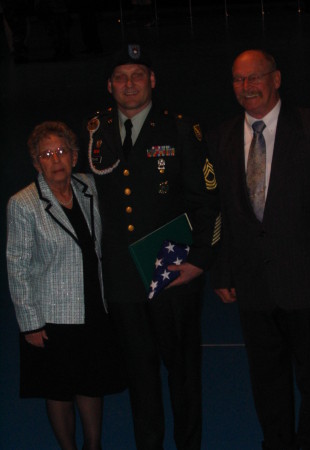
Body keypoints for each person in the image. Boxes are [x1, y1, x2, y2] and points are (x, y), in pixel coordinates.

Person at [82, 44, 220, 450]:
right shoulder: (95, 130)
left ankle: (189, 445)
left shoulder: (180, 129)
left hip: (173, 271)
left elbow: (208, 200)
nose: (129, 84)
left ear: (152, 81)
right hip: (123, 277)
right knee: (140, 376)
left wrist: (200, 261)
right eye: (121, 77)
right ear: (109, 85)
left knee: (183, 374)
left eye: (138, 75)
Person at [208, 49, 310, 450]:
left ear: (276, 78)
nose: (247, 87)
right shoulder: (220, 137)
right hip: (253, 284)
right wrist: (224, 271)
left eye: (255, 77)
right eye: (238, 80)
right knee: (266, 379)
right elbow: (223, 212)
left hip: (309, 280)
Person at [6, 121, 125, 450]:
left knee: (91, 383)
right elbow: (17, 265)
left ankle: (93, 445)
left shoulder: (89, 186)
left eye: (61, 152)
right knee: (58, 390)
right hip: (51, 318)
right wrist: (30, 323)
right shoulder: (23, 204)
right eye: (46, 154)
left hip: (93, 308)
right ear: (35, 163)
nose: (55, 160)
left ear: (74, 157)